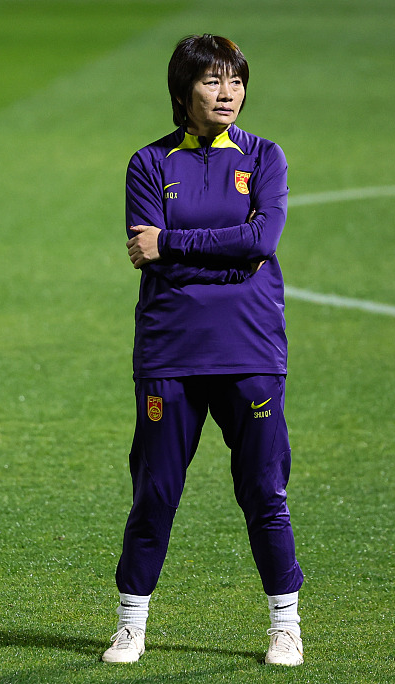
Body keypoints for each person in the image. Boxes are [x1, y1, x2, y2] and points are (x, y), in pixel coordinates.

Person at [102, 34, 304, 667]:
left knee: (264, 493)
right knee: (155, 492)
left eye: (236, 81)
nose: (228, 93)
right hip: (170, 353)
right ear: (182, 92)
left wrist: (180, 245)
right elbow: (147, 249)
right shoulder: (149, 163)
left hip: (249, 351)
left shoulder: (265, 156)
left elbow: (261, 238)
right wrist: (228, 250)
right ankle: (130, 624)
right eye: (214, 82)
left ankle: (286, 625)